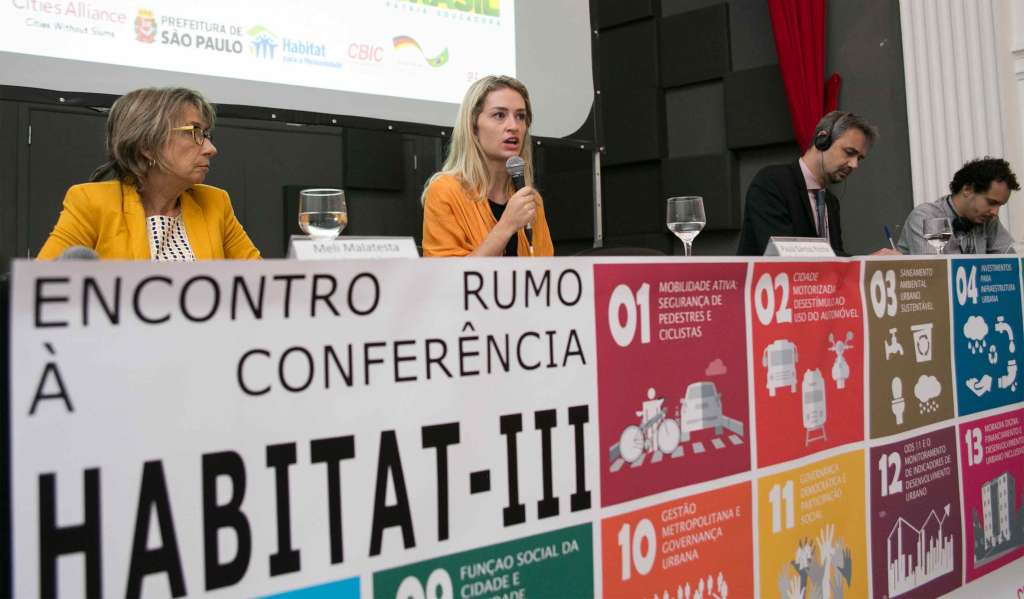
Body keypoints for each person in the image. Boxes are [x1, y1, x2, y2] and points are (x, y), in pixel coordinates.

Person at [38, 87, 260, 260]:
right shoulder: (91, 202)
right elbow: (43, 290)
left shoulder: (215, 203)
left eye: (207, 135)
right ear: (147, 145)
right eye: (194, 133)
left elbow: (264, 286)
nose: (211, 149)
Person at [421, 75, 553, 257]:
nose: (513, 126)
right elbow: (447, 279)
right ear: (473, 126)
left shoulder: (530, 200)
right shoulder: (445, 191)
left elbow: (546, 273)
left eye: (520, 116)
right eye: (499, 115)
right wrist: (507, 225)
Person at [737, 111, 892, 256]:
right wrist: (863, 261)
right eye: (849, 152)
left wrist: (869, 263)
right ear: (822, 139)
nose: (854, 164)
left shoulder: (830, 201)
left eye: (859, 158)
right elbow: (785, 254)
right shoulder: (771, 183)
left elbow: (834, 259)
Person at [897, 157, 1019, 255]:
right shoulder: (931, 217)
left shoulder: (989, 220)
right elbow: (936, 274)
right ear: (967, 190)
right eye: (991, 203)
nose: (995, 213)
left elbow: (1012, 265)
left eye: (1000, 205)